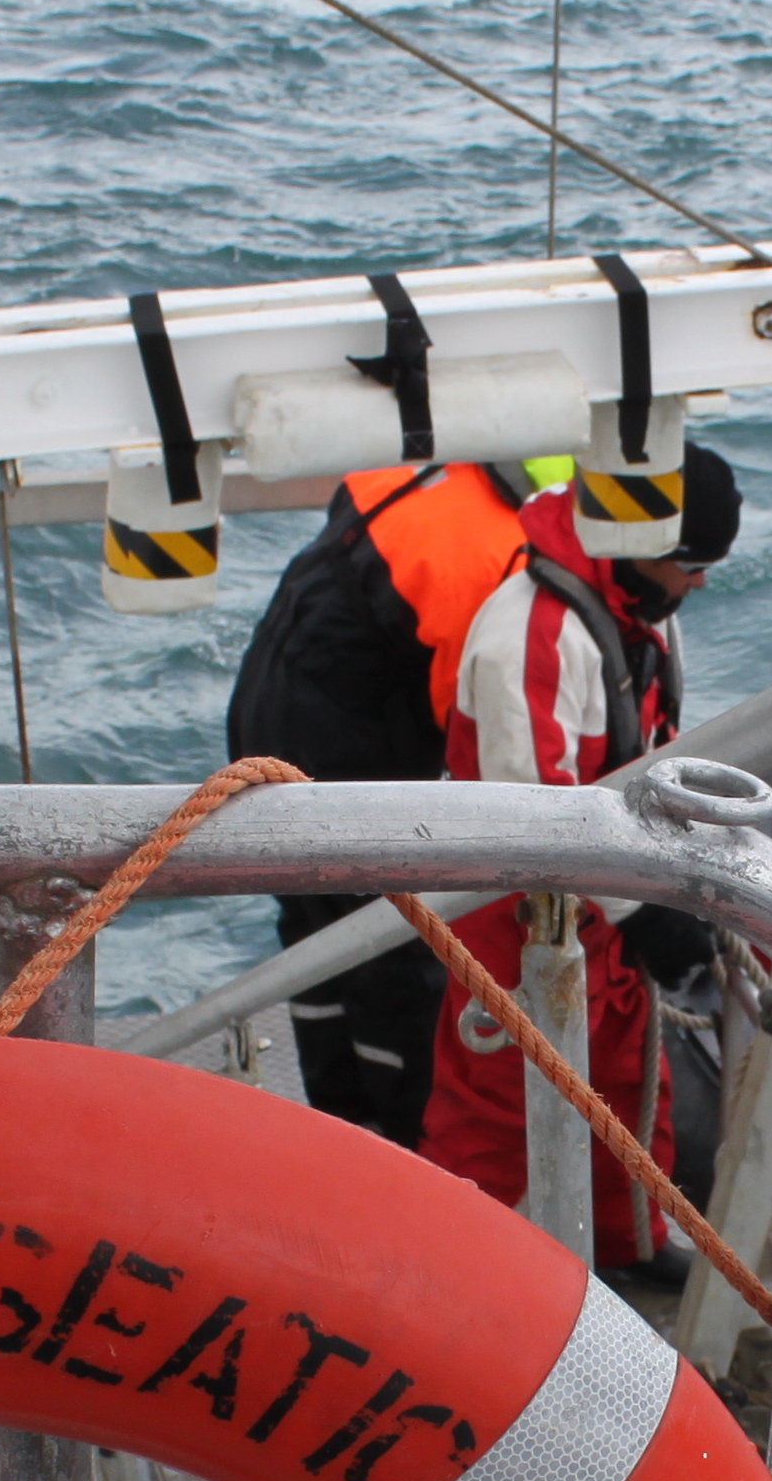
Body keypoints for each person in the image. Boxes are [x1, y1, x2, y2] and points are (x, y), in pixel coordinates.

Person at [412, 449, 741, 1269]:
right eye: (692, 564)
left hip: (612, 897)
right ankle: (455, 1272)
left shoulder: (642, 613)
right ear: (640, 543)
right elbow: (533, 816)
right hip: (514, 918)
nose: (699, 585)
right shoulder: (531, 634)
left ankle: (631, 1238)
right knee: (495, 1109)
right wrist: (645, 912)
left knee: (629, 1075)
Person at [223, 455, 554, 1140]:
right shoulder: (500, 560)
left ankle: (341, 1123)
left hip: (261, 707)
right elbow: (472, 726)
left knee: (313, 924)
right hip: (343, 754)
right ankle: (413, 1139)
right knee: (396, 947)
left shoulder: (421, 473)